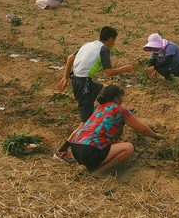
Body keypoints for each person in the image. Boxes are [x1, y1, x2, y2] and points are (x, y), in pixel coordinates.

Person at [53, 26, 133, 162]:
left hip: (80, 81)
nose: (114, 43)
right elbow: (109, 72)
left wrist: (66, 77)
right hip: (84, 85)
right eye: (114, 40)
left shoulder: (89, 44)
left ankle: (119, 111)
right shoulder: (104, 49)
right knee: (85, 123)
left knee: (107, 91)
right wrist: (124, 69)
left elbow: (69, 58)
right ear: (110, 39)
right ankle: (61, 151)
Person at [69, 84, 165, 177]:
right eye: (121, 98)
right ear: (116, 98)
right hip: (90, 151)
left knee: (112, 144)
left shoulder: (100, 107)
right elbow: (143, 129)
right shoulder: (120, 110)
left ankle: (92, 164)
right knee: (128, 148)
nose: (122, 101)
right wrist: (155, 135)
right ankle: (99, 171)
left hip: (75, 149)